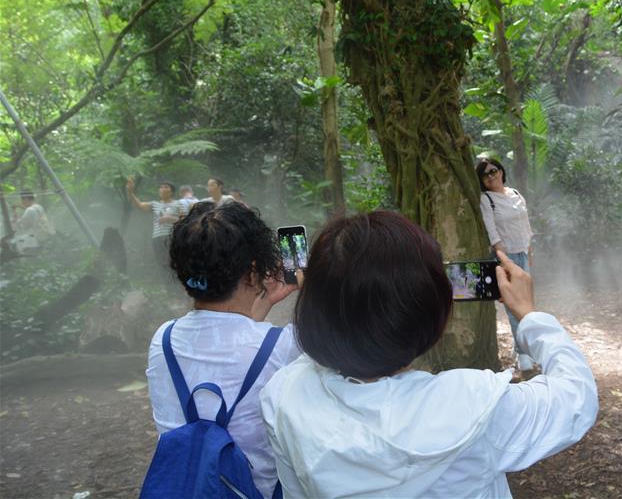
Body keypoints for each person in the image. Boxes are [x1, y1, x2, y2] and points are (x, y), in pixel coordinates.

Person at [260, 211, 597, 498]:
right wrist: (530, 315)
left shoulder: (284, 397)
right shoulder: (475, 408)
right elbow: (577, 398)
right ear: (433, 316)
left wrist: (334, 295)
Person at [146, 201, 300, 498]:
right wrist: (305, 286)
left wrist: (264, 302)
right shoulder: (282, 347)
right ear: (253, 271)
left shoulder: (162, 340)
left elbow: (231, 344)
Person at [476, 157, 536, 372]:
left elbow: (525, 225)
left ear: (501, 171)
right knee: (514, 307)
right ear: (482, 180)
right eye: (485, 174)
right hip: (506, 257)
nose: (491, 176)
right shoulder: (487, 199)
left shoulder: (516, 194)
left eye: (493, 170)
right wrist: (506, 260)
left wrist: (529, 251)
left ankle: (520, 346)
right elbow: (492, 233)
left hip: (522, 252)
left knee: (527, 305)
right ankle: (524, 356)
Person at [126, 178, 182, 269]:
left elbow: (185, 221)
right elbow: (139, 205)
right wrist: (130, 192)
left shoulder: (178, 204)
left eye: (166, 187)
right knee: (161, 262)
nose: (162, 189)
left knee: (175, 260)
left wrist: (170, 219)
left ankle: (178, 281)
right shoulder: (154, 204)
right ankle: (166, 282)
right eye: (161, 187)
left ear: (171, 192)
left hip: (174, 236)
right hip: (158, 237)